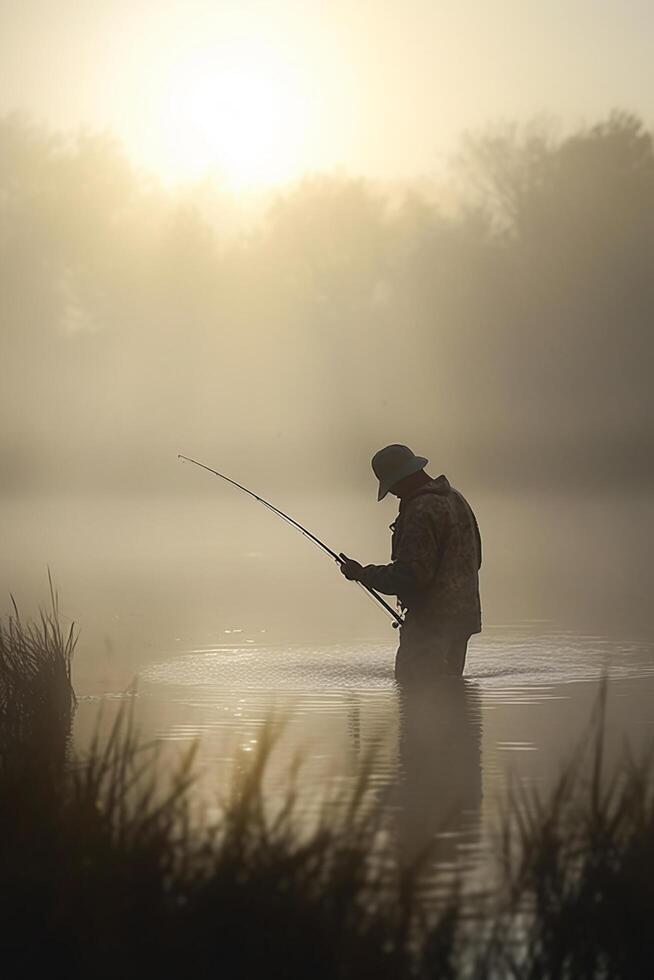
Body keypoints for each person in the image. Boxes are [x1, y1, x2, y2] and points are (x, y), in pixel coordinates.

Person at [340, 444, 482, 683]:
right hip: (462, 619)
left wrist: (363, 574)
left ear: (402, 478)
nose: (394, 493)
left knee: (416, 695)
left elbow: (411, 576)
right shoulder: (456, 500)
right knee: (449, 700)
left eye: (393, 486)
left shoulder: (421, 509)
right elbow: (475, 560)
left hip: (431, 625)